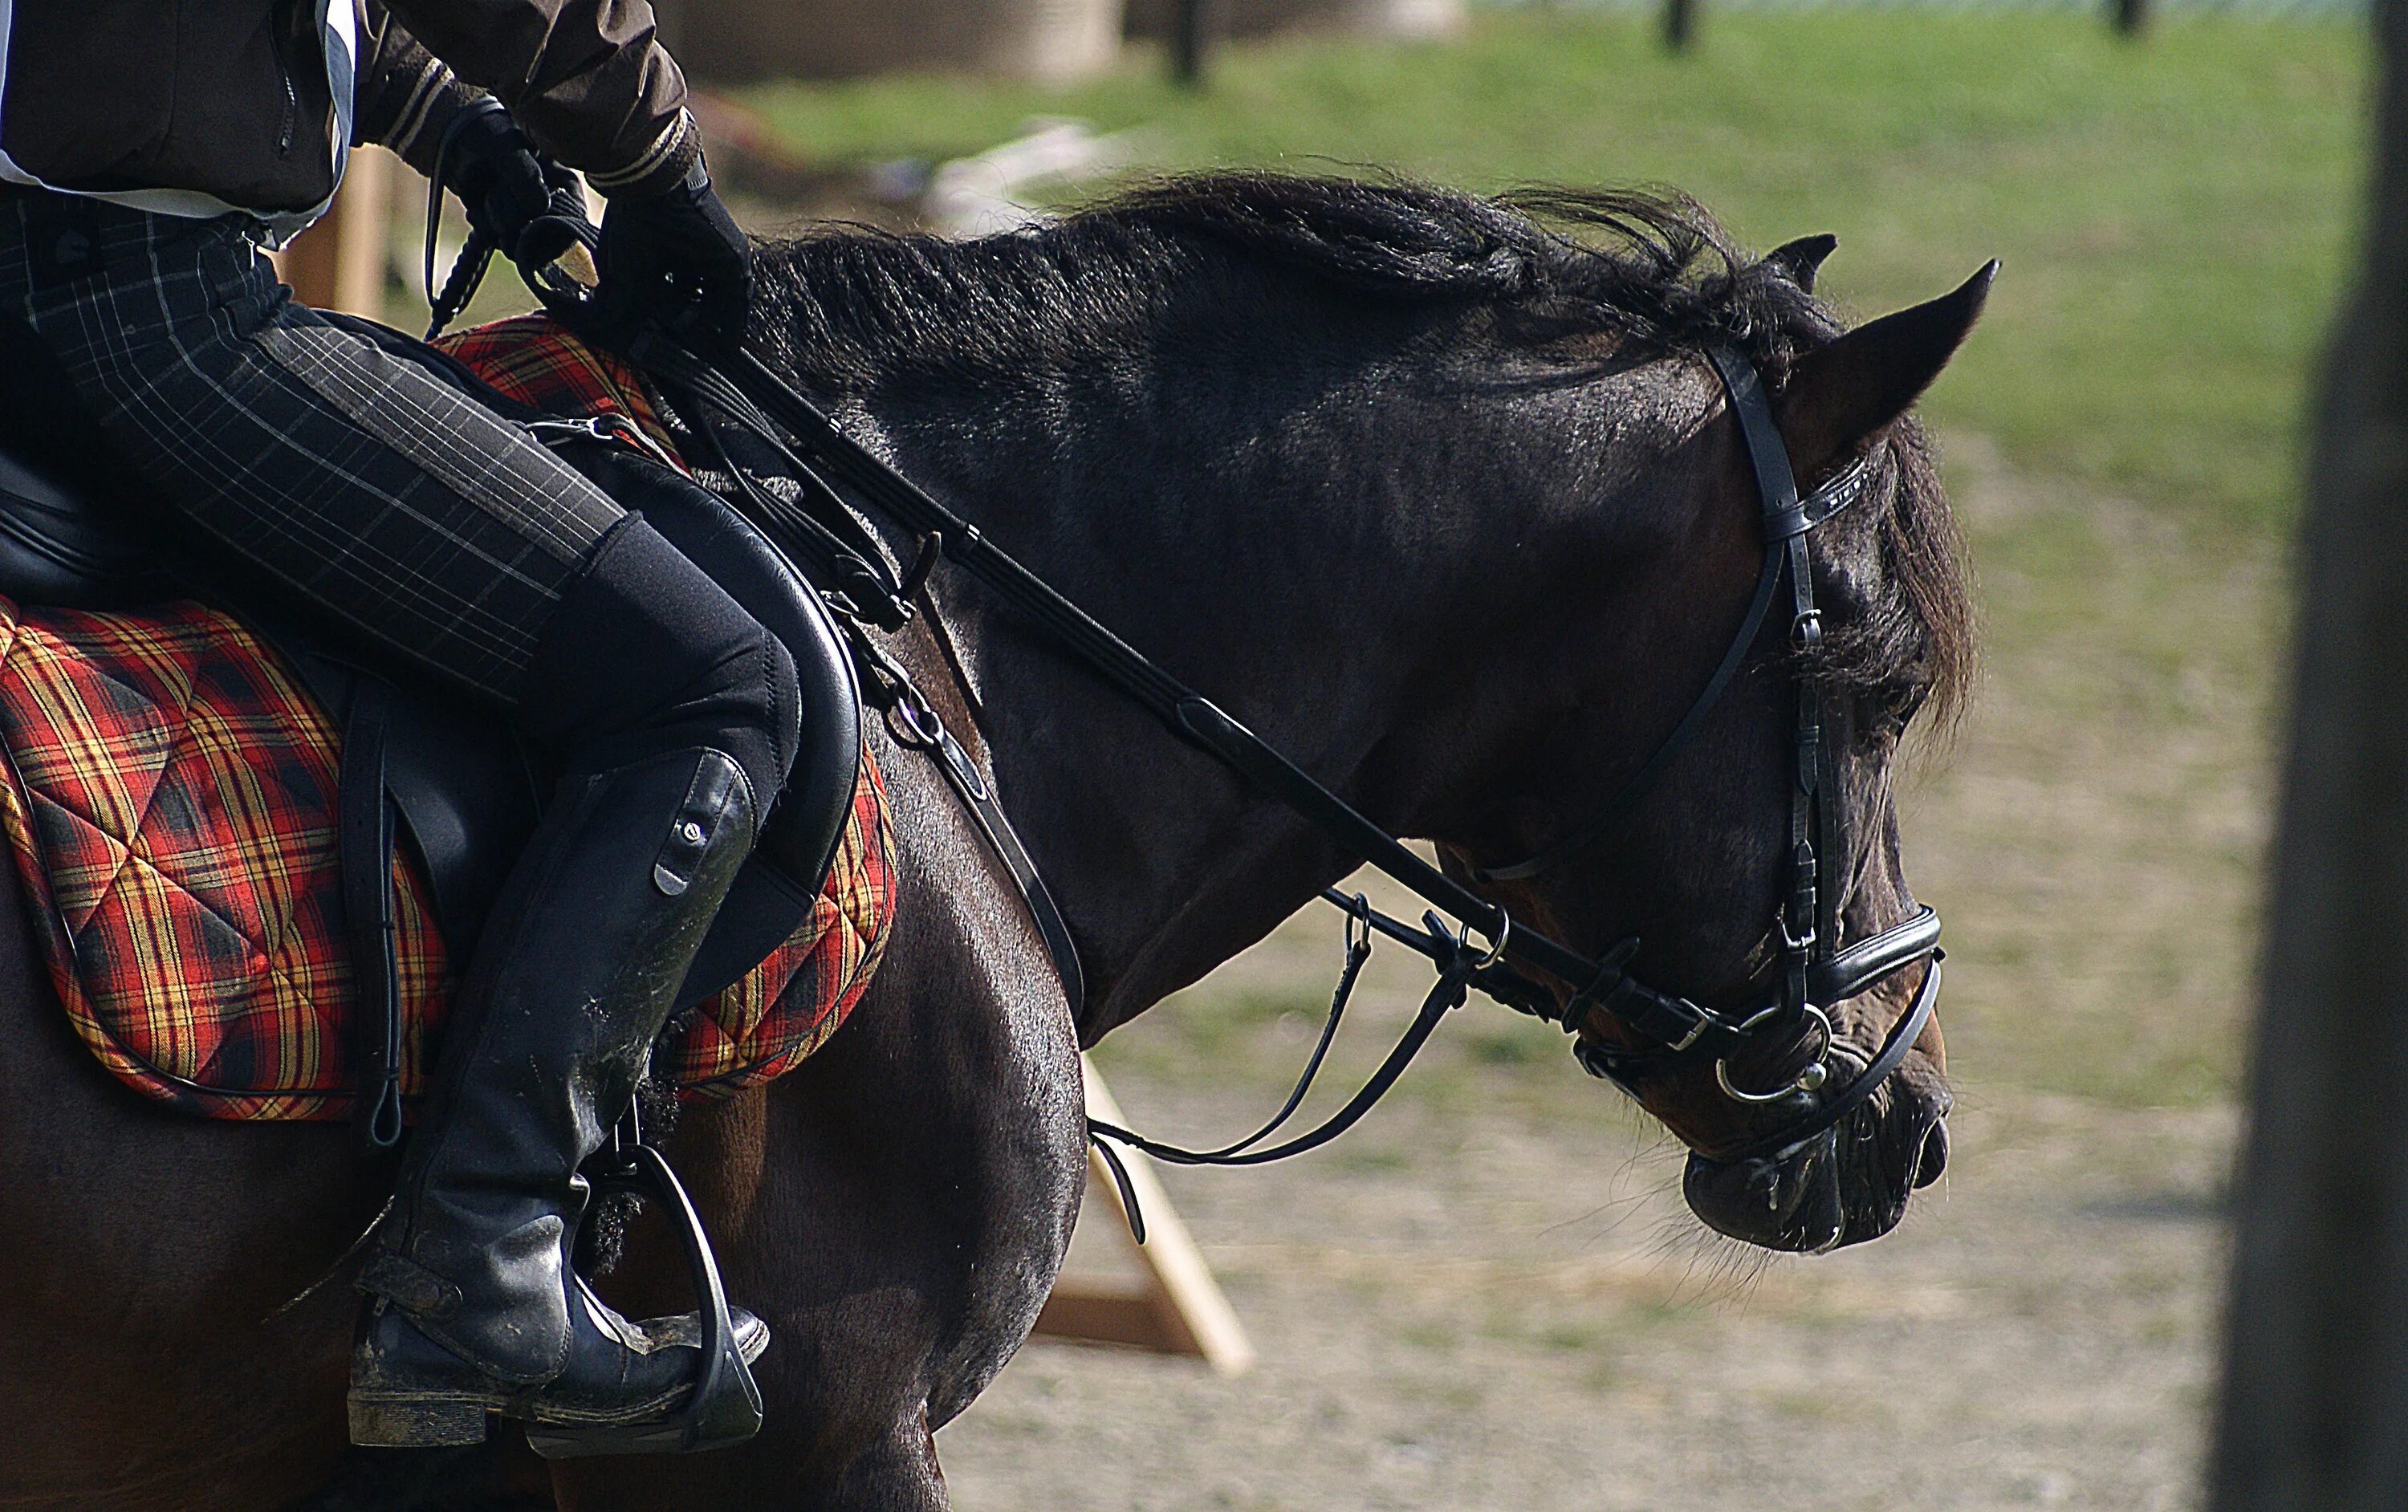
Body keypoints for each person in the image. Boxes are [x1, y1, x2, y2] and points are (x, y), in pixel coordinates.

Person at [0, 1, 796, 1454]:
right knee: (713, 685)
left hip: (54, 286)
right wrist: (663, 166)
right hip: (146, 312)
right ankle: (484, 1264)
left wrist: (456, 129)